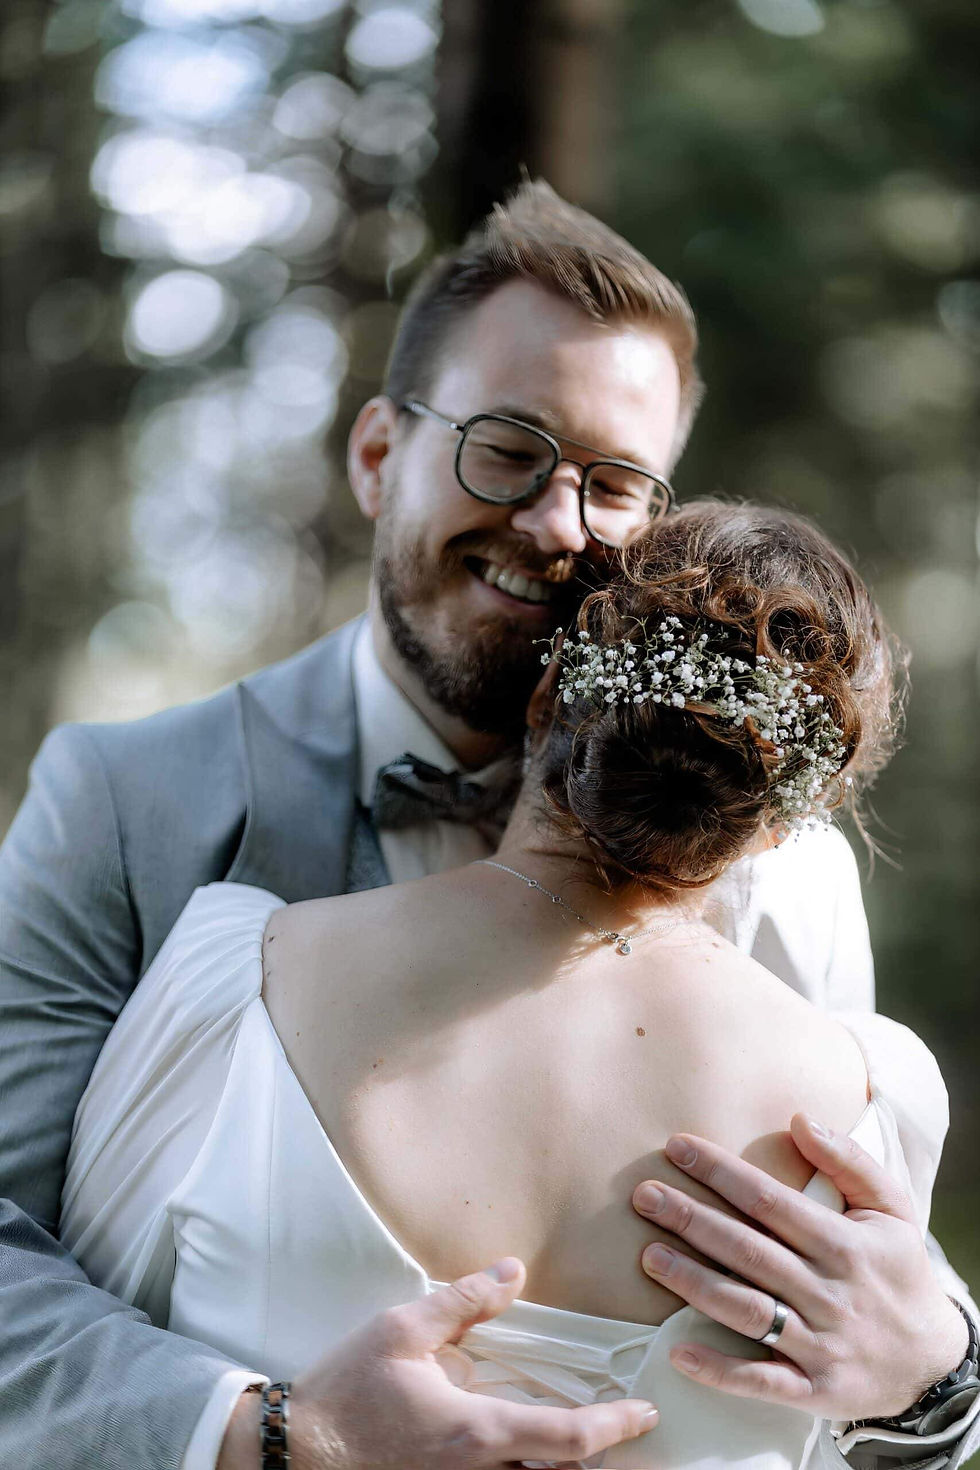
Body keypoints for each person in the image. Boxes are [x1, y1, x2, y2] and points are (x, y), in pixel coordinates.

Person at [0, 182, 976, 1470]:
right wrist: (269, 1435)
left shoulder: (784, 871)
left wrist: (939, 1385)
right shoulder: (126, 803)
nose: (558, 527)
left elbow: (839, 1287)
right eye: (507, 450)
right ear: (373, 456)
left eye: (615, 483)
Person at [57, 500, 957, 1470]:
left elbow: (62, 1374)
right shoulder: (869, 1103)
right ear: (778, 826)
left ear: (542, 703)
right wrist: (936, 1388)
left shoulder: (237, 978)